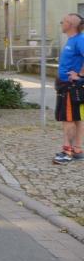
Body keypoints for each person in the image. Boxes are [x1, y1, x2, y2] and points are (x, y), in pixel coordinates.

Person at [53, 13, 84, 165]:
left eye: (63, 21)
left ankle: (67, 152)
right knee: (77, 118)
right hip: (67, 85)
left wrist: (80, 75)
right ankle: (77, 149)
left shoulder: (80, 39)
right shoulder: (73, 40)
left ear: (70, 24)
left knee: (68, 119)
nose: (61, 23)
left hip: (70, 86)